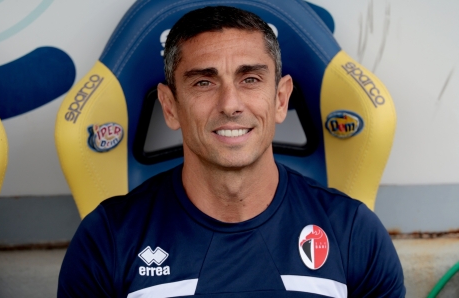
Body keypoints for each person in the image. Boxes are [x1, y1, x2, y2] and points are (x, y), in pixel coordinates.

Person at [58, 6, 405, 297]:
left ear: (281, 98)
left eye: (250, 79)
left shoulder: (354, 233)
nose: (230, 104)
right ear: (170, 106)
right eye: (203, 82)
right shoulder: (106, 239)